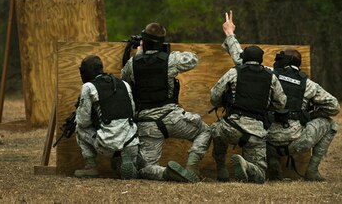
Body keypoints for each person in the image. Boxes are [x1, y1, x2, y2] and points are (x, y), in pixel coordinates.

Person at [121, 23, 210, 183]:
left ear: (144, 41)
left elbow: (124, 81)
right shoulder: (171, 60)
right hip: (173, 118)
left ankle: (164, 173)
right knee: (205, 131)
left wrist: (140, 54)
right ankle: (191, 167)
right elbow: (193, 60)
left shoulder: (132, 64)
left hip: (147, 124)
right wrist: (167, 51)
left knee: (145, 167)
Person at [210, 11, 287, 183]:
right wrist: (266, 105)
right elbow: (281, 103)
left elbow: (214, 95)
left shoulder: (235, 72)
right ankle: (247, 166)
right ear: (261, 61)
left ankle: (221, 167)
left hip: (231, 127)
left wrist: (223, 103)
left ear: (243, 59)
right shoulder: (271, 76)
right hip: (256, 132)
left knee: (214, 131)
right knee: (259, 176)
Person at [265, 49, 339, 181]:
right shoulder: (309, 85)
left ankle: (273, 158)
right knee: (331, 124)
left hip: (266, 140)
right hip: (296, 142)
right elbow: (334, 107)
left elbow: (244, 60)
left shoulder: (268, 74)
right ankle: (312, 171)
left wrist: (230, 35)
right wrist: (312, 115)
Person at [74, 55, 139, 179]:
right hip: (131, 143)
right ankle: (124, 162)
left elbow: (83, 122)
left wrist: (95, 118)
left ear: (86, 72)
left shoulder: (89, 87)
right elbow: (132, 111)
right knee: (117, 166)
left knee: (79, 127)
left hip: (107, 145)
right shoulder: (124, 84)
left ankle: (91, 167)